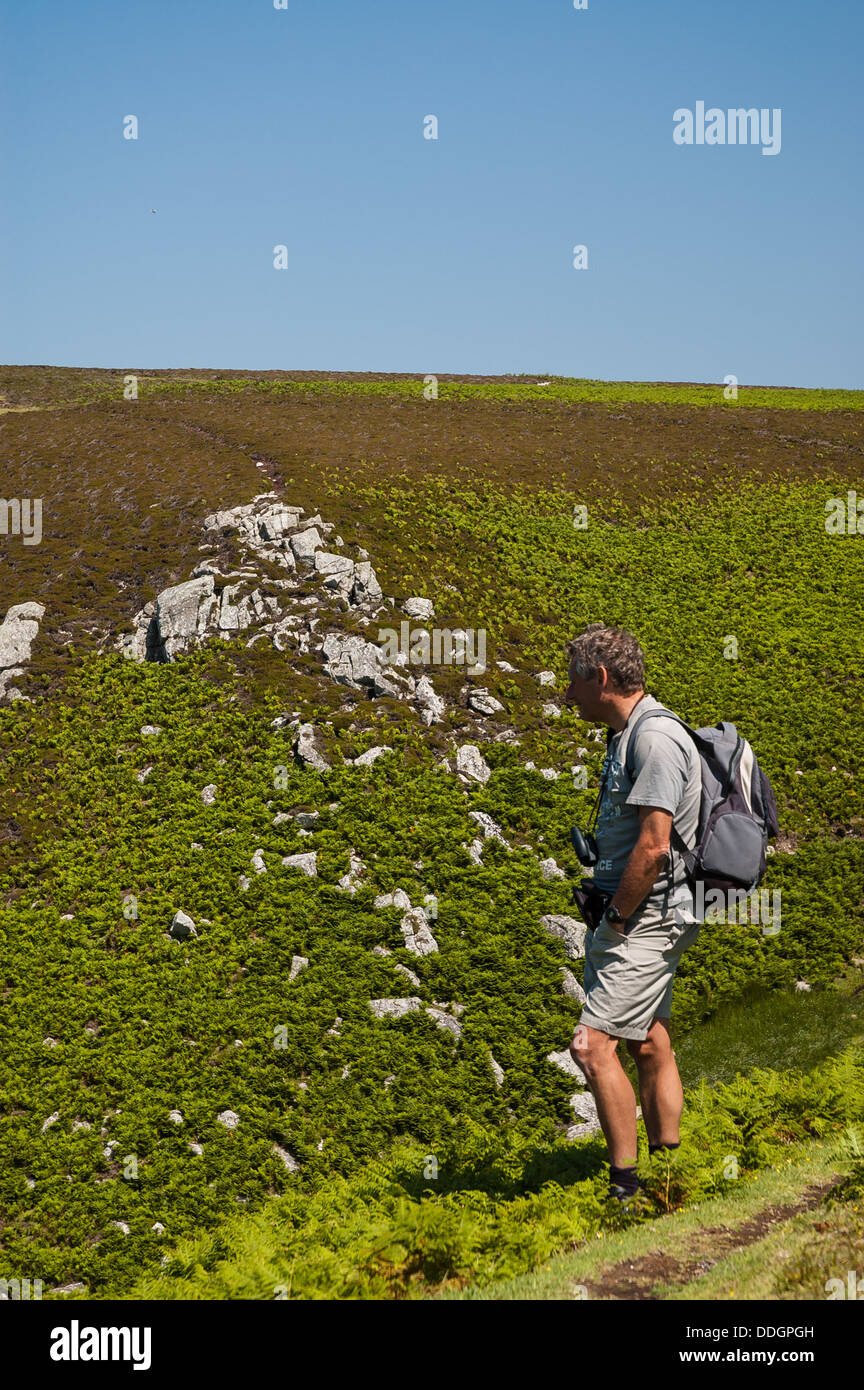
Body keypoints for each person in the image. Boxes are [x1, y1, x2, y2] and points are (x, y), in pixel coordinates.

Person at [563, 623, 702, 1204]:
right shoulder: (627, 736)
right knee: (648, 1040)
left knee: (592, 1046)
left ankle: (624, 1189)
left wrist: (616, 918)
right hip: (647, 911)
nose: (568, 697)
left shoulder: (656, 740)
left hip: (647, 916)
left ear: (600, 678)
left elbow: (653, 846)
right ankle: (672, 1166)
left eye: (573, 684)